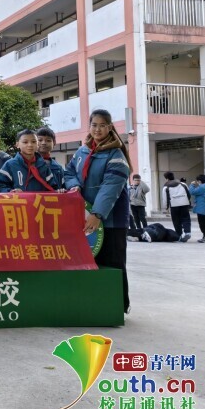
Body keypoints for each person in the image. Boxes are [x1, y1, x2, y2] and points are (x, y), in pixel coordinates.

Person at [64, 109, 132, 314]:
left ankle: (118, 307)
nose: (98, 129)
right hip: (85, 218)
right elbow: (69, 172)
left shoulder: (116, 154)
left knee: (112, 263)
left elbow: (110, 188)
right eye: (94, 125)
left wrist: (97, 214)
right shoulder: (82, 151)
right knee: (90, 262)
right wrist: (74, 185)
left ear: (110, 128)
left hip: (110, 221)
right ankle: (95, 306)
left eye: (103, 125)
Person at [161, 171, 192, 242]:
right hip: (184, 204)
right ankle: (187, 232)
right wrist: (188, 202)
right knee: (186, 218)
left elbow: (165, 199)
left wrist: (166, 208)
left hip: (174, 205)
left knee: (176, 221)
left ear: (166, 178)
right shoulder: (183, 184)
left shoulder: (166, 187)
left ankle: (179, 235)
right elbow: (188, 194)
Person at [189, 174, 205, 243]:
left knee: (202, 224)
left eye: (197, 181)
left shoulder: (202, 187)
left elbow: (192, 192)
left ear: (199, 181)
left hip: (201, 208)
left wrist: (192, 185)